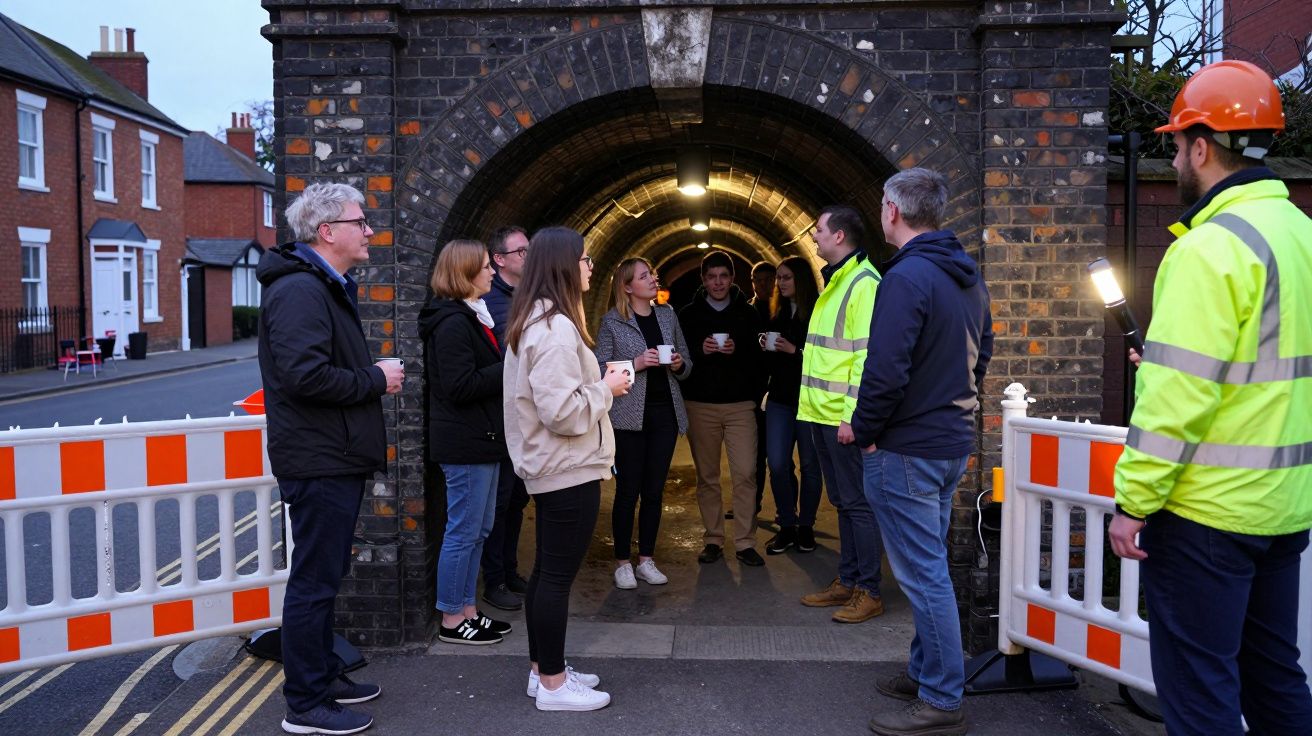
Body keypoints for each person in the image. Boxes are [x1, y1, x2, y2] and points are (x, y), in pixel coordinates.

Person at [1109, 60, 1312, 735]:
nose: (1172, 159)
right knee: (1275, 678)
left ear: (1202, 145)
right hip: (1282, 508)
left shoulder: (1208, 249)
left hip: (1206, 516)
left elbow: (1176, 400)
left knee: (1201, 697)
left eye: (1173, 145)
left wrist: (1133, 503)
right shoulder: (1301, 236)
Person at [258, 182, 403, 735]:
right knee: (314, 583)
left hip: (332, 455)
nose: (369, 231)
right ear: (327, 232)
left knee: (326, 575)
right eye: (359, 222)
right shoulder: (301, 290)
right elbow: (303, 376)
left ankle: (323, 675)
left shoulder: (323, 285)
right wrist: (374, 378)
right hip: (318, 459)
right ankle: (306, 704)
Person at [851, 168, 992, 736]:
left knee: (924, 573)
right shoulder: (965, 275)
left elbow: (885, 370)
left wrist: (865, 430)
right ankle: (924, 669)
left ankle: (940, 696)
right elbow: (983, 355)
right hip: (949, 443)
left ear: (891, 210)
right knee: (929, 565)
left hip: (906, 448)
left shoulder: (906, 278)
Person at [503, 226, 629, 711]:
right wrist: (608, 388)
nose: (590, 267)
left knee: (544, 575)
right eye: (584, 259)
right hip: (567, 467)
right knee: (556, 578)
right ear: (562, 265)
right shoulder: (553, 329)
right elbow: (562, 412)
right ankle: (554, 686)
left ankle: (543, 671)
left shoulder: (534, 319)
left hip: (553, 465)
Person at [419, 240, 512, 646]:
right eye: (486, 266)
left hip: (483, 439)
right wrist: (507, 368)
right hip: (465, 443)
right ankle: (452, 618)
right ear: (465, 272)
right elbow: (458, 386)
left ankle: (468, 609)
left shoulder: (474, 316)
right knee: (463, 531)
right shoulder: (453, 322)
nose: (492, 272)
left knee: (479, 529)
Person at [796, 205, 885, 624]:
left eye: (817, 230)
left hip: (840, 417)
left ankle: (868, 590)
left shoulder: (863, 283)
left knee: (857, 503)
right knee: (844, 501)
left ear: (839, 237)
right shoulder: (838, 279)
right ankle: (848, 581)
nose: (812, 236)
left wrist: (852, 417)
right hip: (820, 412)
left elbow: (864, 358)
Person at [595, 257, 693, 590]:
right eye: (644, 276)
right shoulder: (612, 321)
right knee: (627, 491)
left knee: (654, 491)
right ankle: (623, 562)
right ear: (626, 286)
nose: (653, 278)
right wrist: (635, 363)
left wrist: (679, 364)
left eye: (652, 273)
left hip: (665, 414)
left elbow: (688, 364)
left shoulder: (668, 315)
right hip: (628, 417)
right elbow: (599, 371)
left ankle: (646, 560)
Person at [677, 251, 767, 567]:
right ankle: (714, 538)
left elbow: (761, 361)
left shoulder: (749, 314)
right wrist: (699, 351)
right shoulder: (688, 315)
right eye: (712, 277)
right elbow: (679, 360)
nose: (718, 282)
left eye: (724, 276)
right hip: (701, 404)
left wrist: (738, 351)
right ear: (703, 280)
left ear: (732, 279)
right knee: (708, 476)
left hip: (741, 404)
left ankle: (744, 542)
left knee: (745, 473)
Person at [480, 226, 532, 611]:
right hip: (499, 416)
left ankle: (510, 570)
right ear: (499, 259)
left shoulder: (528, 294)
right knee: (497, 503)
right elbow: (507, 350)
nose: (528, 256)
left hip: (526, 414)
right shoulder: (491, 299)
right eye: (521, 251)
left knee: (517, 500)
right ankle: (493, 579)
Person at [761, 257, 824, 555]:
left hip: (810, 400)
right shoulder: (778, 313)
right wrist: (764, 346)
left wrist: (794, 351)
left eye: (786, 278)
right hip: (781, 399)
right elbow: (770, 364)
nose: (780, 283)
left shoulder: (819, 313)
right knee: (778, 463)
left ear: (800, 279)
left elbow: (826, 358)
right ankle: (787, 524)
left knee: (811, 465)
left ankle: (806, 527)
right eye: (778, 278)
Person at [749, 260, 777, 516]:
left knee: (779, 459)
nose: (766, 285)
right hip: (755, 390)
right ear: (753, 283)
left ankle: (785, 512)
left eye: (770, 280)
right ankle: (752, 505)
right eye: (760, 280)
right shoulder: (747, 312)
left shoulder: (784, 310)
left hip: (780, 389)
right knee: (755, 455)